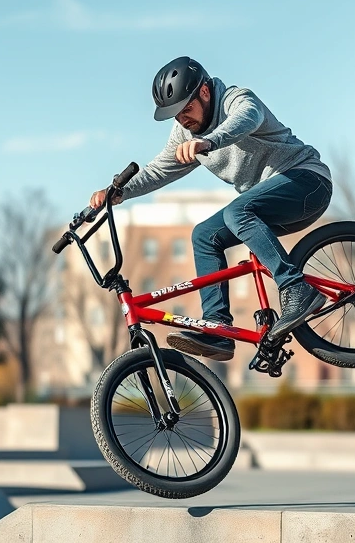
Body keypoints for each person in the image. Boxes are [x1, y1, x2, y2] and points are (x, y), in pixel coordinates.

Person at [89, 56, 332, 361]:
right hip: (269, 205)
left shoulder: (235, 99)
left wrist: (210, 141)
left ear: (204, 92)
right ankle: (218, 329)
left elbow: (249, 118)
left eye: (186, 110)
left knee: (236, 212)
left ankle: (296, 289)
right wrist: (118, 192)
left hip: (306, 181)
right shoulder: (184, 133)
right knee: (204, 235)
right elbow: (159, 170)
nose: (182, 121)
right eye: (175, 116)